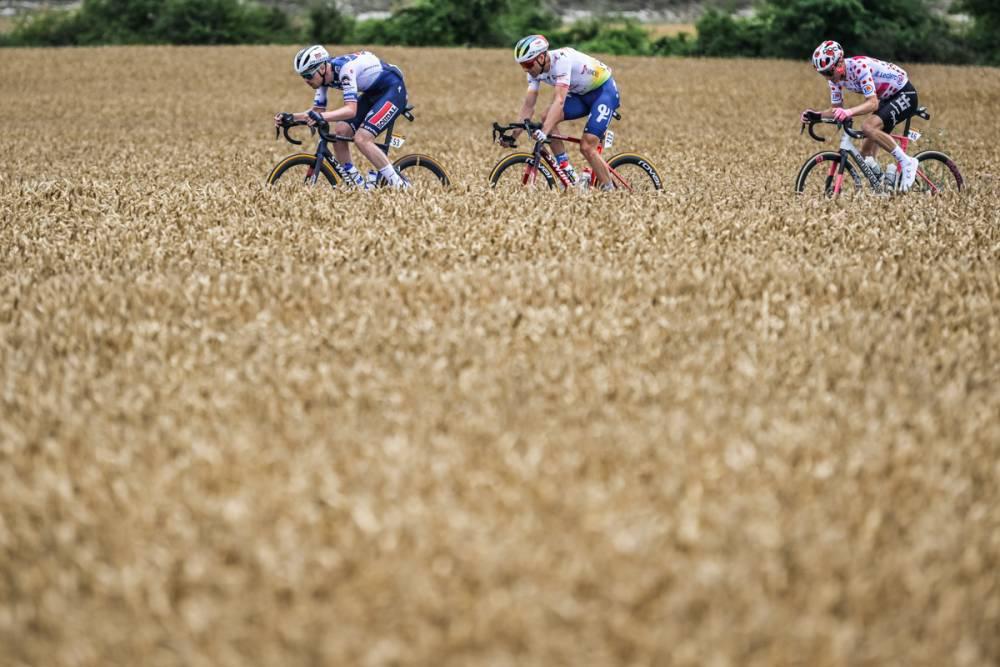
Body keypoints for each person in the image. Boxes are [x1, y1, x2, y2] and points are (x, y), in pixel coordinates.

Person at [275, 45, 409, 189]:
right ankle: (357, 185)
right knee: (339, 132)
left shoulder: (345, 70)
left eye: (308, 75)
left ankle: (400, 185)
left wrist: (321, 117)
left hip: (393, 89)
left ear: (321, 68)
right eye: (303, 76)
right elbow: (317, 111)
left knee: (362, 138)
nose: (306, 80)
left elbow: (350, 110)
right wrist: (291, 118)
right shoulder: (322, 77)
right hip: (372, 93)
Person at [801, 40, 920, 191]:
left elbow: (872, 103)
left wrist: (848, 112)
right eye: (823, 73)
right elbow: (836, 110)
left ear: (839, 63)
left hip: (904, 94)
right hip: (886, 99)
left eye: (829, 72)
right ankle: (886, 185)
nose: (827, 77)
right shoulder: (835, 80)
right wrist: (816, 116)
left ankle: (907, 162)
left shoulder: (859, 67)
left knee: (867, 127)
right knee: (865, 155)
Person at [510, 35, 621, 190]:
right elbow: (529, 104)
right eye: (522, 65)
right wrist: (513, 136)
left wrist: (545, 131)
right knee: (545, 117)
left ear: (541, 57)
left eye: (528, 64)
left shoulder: (561, 60)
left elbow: (560, 100)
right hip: (580, 95)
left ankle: (612, 192)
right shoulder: (534, 72)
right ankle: (568, 173)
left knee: (587, 146)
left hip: (603, 92)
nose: (526, 69)